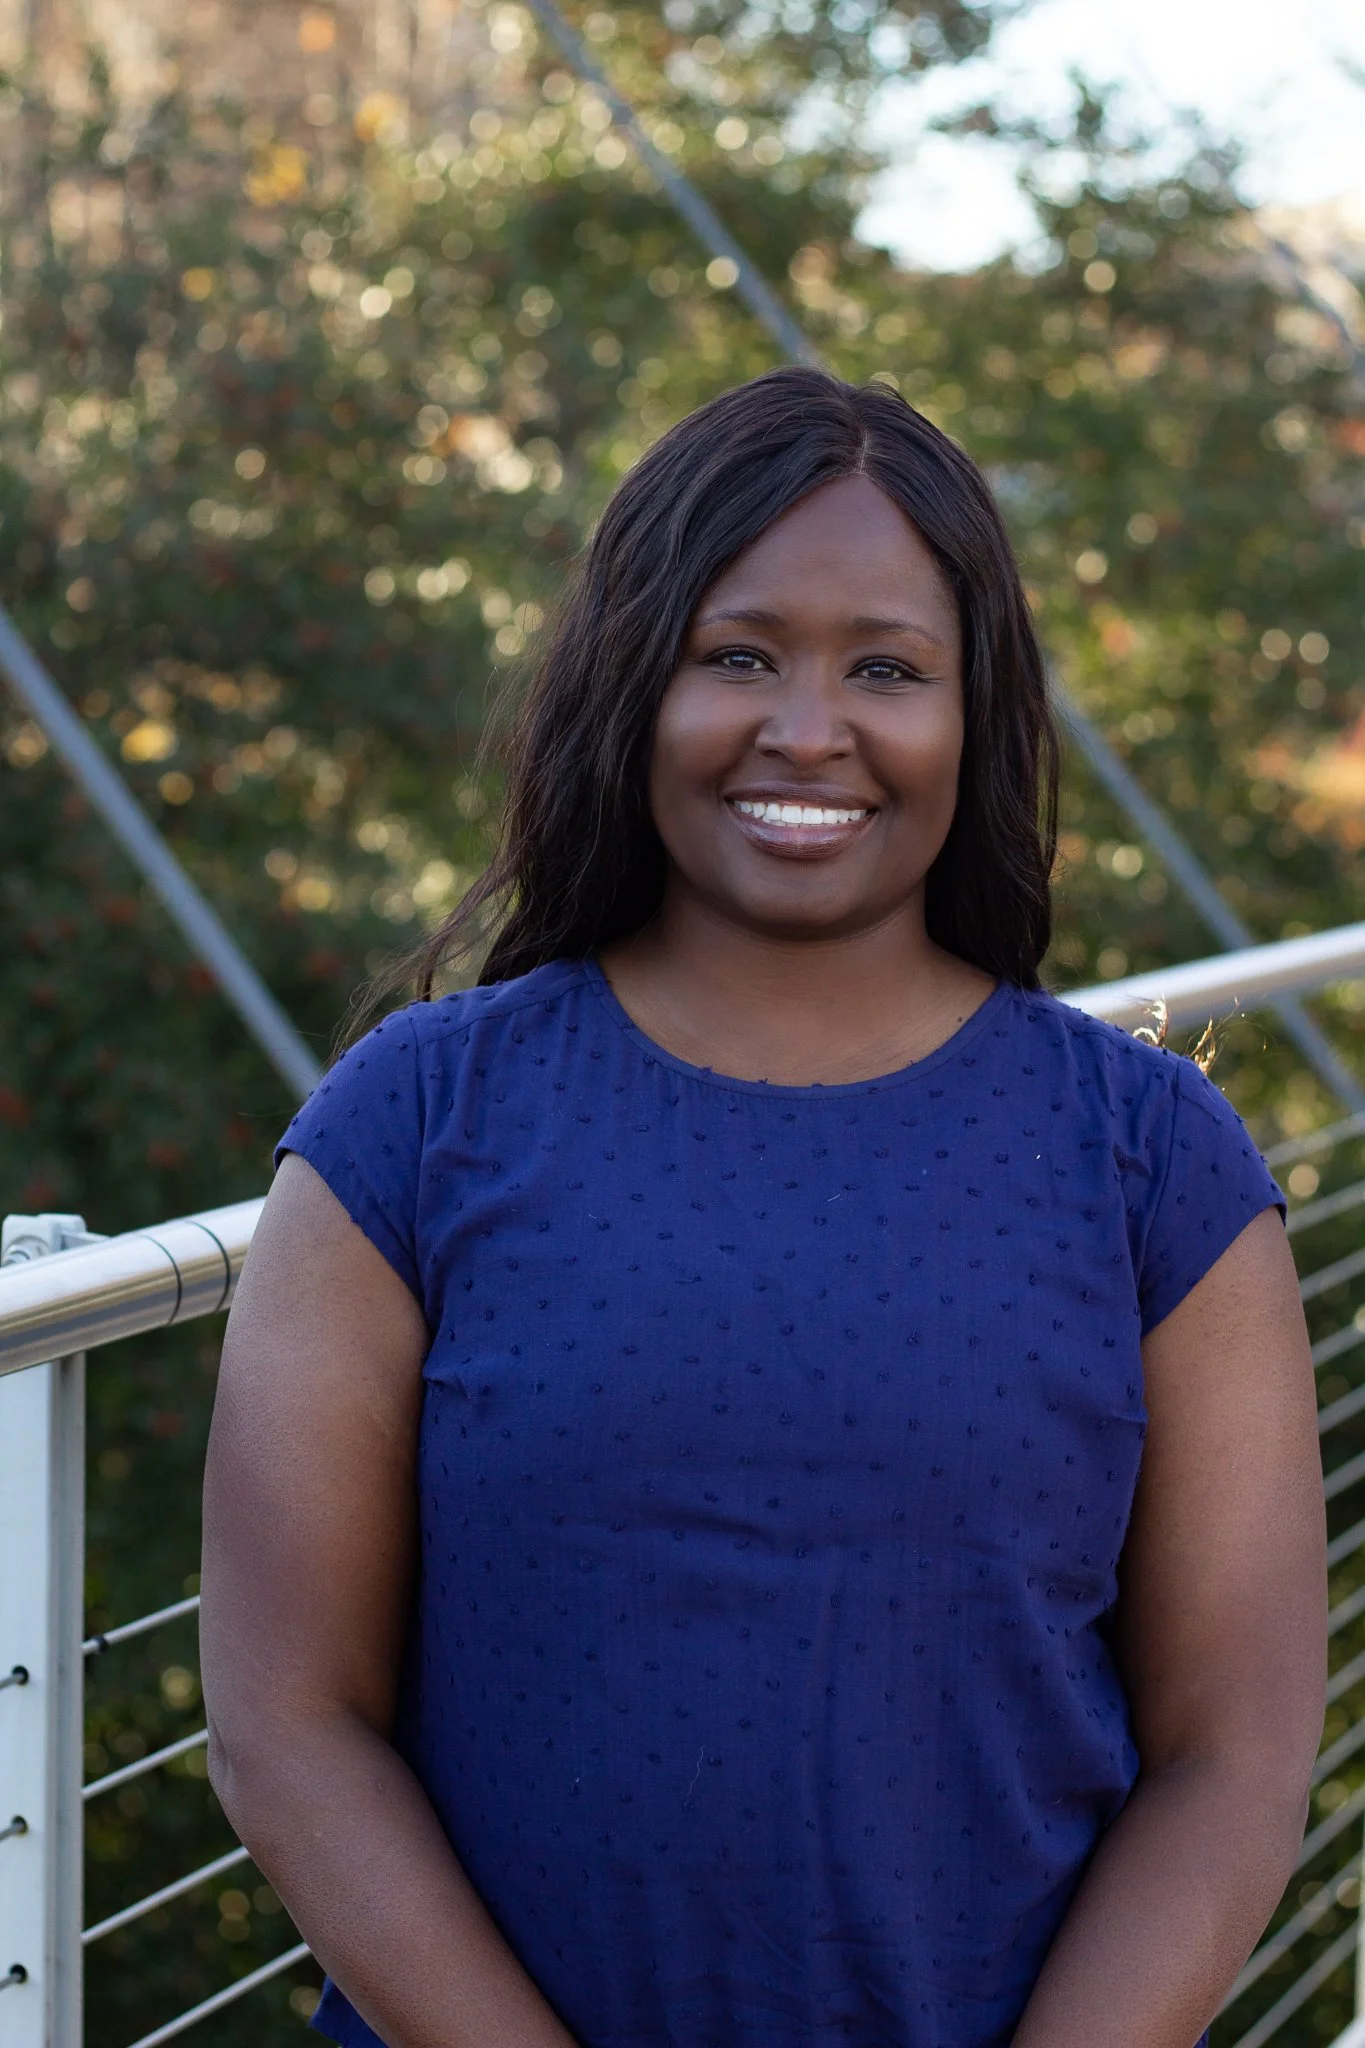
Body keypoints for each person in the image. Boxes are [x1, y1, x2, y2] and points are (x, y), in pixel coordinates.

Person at [201, 367, 1325, 2048]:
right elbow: (287, 1721)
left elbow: (1231, 1756)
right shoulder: (415, 1124)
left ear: (976, 711)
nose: (810, 730)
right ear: (634, 682)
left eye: (887, 667)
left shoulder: (1158, 1166)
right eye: (738, 657)